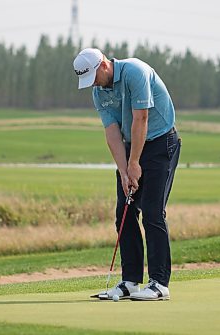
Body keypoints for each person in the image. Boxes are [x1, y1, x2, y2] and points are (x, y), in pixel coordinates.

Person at [73, 48, 181, 301]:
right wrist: (124, 170)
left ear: (103, 65)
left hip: (160, 142)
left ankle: (159, 284)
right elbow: (112, 131)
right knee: (124, 211)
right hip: (132, 146)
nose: (93, 84)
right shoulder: (98, 91)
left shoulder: (135, 71)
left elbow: (140, 118)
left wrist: (134, 163)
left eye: (93, 77)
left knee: (153, 212)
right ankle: (131, 281)